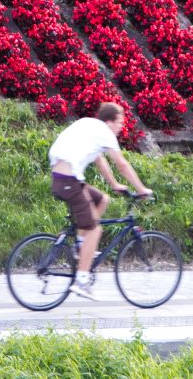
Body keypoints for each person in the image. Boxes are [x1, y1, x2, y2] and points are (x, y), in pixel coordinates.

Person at [49, 102, 152, 301]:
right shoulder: (105, 132)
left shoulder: (89, 125)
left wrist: (114, 184)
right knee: (95, 229)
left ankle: (80, 245)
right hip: (69, 182)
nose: (121, 127)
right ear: (109, 121)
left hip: (65, 180)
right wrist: (141, 189)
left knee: (102, 200)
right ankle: (81, 280)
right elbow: (121, 164)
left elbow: (99, 160)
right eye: (120, 122)